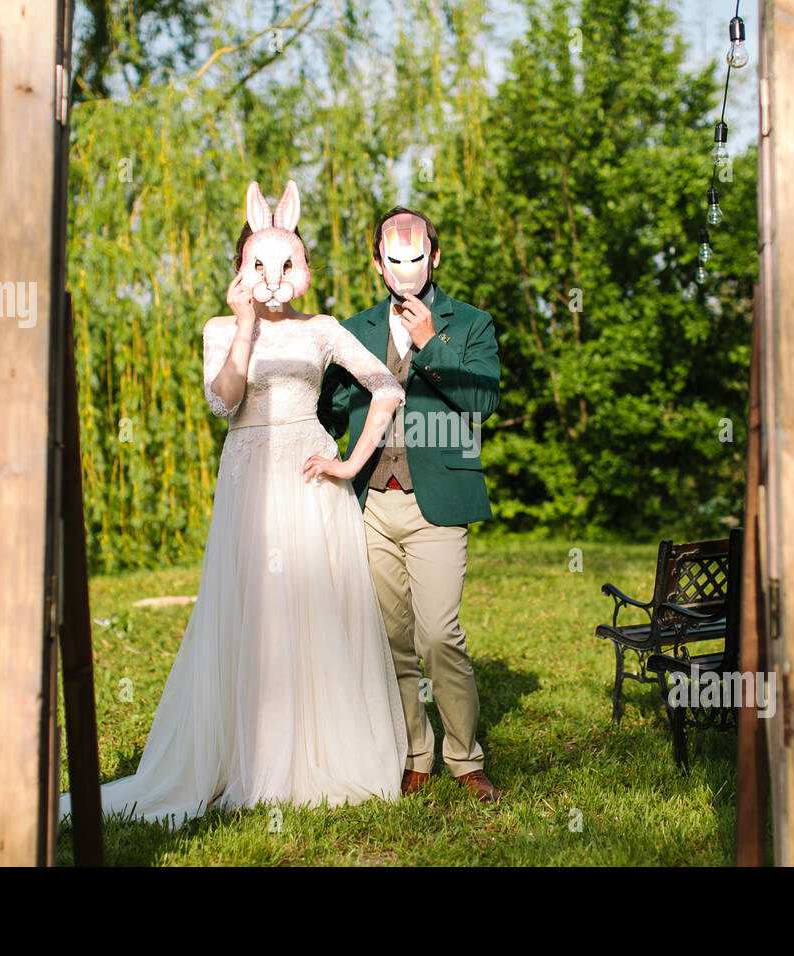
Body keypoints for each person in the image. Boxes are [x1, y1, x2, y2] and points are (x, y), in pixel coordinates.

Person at [61, 180, 408, 826]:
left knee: (311, 606)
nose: (274, 278)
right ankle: (242, 754)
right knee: (251, 607)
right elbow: (223, 401)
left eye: (286, 264)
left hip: (308, 475)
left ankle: (317, 752)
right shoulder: (219, 328)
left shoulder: (324, 329)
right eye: (260, 265)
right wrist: (246, 328)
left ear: (301, 266)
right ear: (242, 271)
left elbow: (386, 387)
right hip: (248, 473)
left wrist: (349, 462)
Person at [317, 206, 502, 802]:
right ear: (377, 263)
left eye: (417, 255)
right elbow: (328, 405)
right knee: (393, 640)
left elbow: (482, 403)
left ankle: (464, 757)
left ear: (435, 257)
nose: (405, 267)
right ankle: (415, 753)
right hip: (371, 501)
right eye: (392, 258)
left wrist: (428, 343)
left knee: (438, 635)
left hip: (437, 503)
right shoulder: (353, 328)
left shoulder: (470, 323)